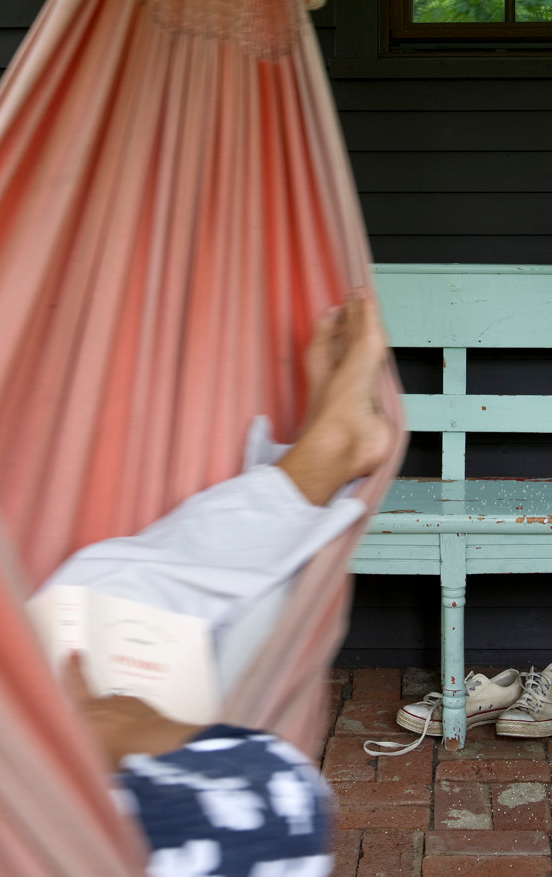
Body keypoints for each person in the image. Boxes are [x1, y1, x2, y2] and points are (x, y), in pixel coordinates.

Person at [42, 290, 394, 877]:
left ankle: (319, 459)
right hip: (211, 807)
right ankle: (322, 458)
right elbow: (269, 799)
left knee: (99, 610)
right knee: (107, 602)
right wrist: (105, 723)